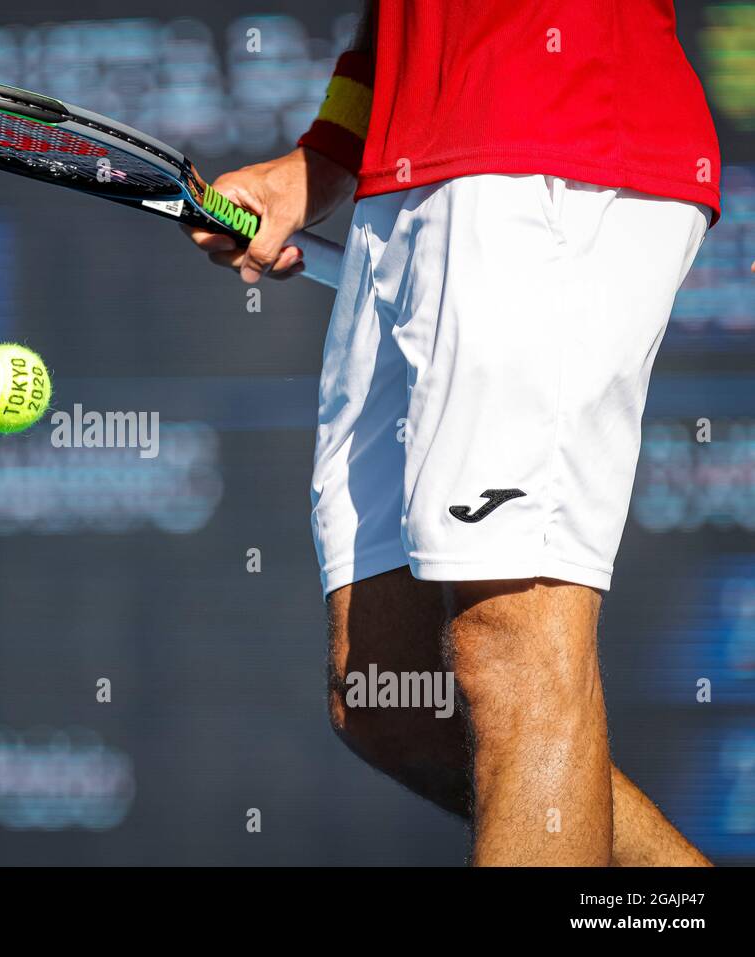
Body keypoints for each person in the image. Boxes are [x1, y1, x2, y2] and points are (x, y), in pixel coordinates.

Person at [187, 0, 720, 865]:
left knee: (518, 656)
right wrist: (320, 161)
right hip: (409, 169)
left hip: (550, 132)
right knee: (387, 698)